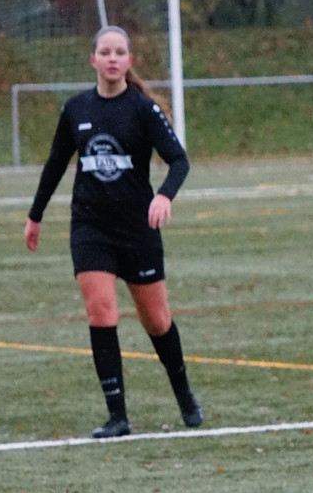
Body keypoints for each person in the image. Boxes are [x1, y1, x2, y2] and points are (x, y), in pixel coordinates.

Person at [24, 25, 203, 439]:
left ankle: (184, 395)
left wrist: (164, 196)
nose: (112, 58)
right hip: (90, 228)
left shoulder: (143, 109)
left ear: (129, 61)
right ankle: (117, 416)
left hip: (138, 230)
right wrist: (35, 216)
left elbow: (178, 161)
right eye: (104, 52)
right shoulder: (76, 109)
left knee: (157, 321)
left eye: (119, 52)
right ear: (93, 59)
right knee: (101, 311)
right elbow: (55, 164)